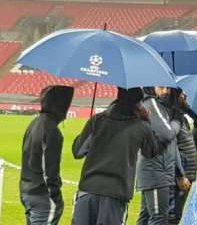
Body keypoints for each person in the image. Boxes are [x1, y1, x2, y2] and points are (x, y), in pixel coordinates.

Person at [71, 87, 162, 225]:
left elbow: (77, 151)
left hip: (88, 190)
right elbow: (151, 152)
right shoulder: (142, 126)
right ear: (138, 102)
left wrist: (86, 130)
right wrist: (148, 122)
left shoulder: (97, 120)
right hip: (116, 194)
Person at [20, 85, 74, 225]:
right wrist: (54, 194)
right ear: (60, 105)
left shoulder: (33, 123)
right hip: (42, 195)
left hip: (27, 190)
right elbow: (49, 170)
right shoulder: (52, 131)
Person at [137, 87, 189, 225]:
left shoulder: (163, 107)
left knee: (147, 217)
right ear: (152, 87)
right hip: (156, 172)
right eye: (161, 87)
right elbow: (167, 134)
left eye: (167, 88)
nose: (165, 91)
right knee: (159, 219)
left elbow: (173, 144)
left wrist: (180, 173)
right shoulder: (151, 103)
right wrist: (178, 119)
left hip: (161, 171)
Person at [169, 92, 197, 225]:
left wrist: (188, 110)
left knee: (176, 214)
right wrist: (179, 175)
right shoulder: (172, 118)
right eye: (182, 95)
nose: (186, 96)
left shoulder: (182, 118)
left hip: (188, 172)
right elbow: (171, 148)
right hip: (181, 176)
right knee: (172, 215)